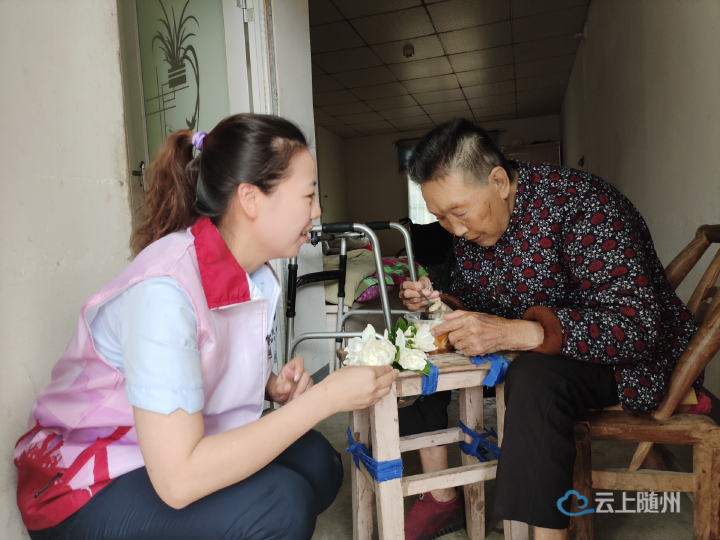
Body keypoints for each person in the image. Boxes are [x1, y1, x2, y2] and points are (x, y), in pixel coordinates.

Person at [15, 114, 398, 540]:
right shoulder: (164, 291)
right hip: (82, 487)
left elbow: (202, 358)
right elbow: (178, 481)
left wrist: (269, 386)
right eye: (308, 196)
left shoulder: (254, 274)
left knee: (318, 465)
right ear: (250, 199)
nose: (317, 211)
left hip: (156, 453)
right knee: (280, 506)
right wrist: (327, 398)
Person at [398, 118, 700, 540]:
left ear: (499, 181)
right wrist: (439, 304)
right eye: (441, 218)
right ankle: (442, 496)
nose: (457, 230)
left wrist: (517, 334)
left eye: (460, 212)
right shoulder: (471, 230)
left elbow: (636, 327)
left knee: (534, 379)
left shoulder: (584, 204)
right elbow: (479, 299)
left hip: (628, 359)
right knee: (415, 350)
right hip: (556, 353)